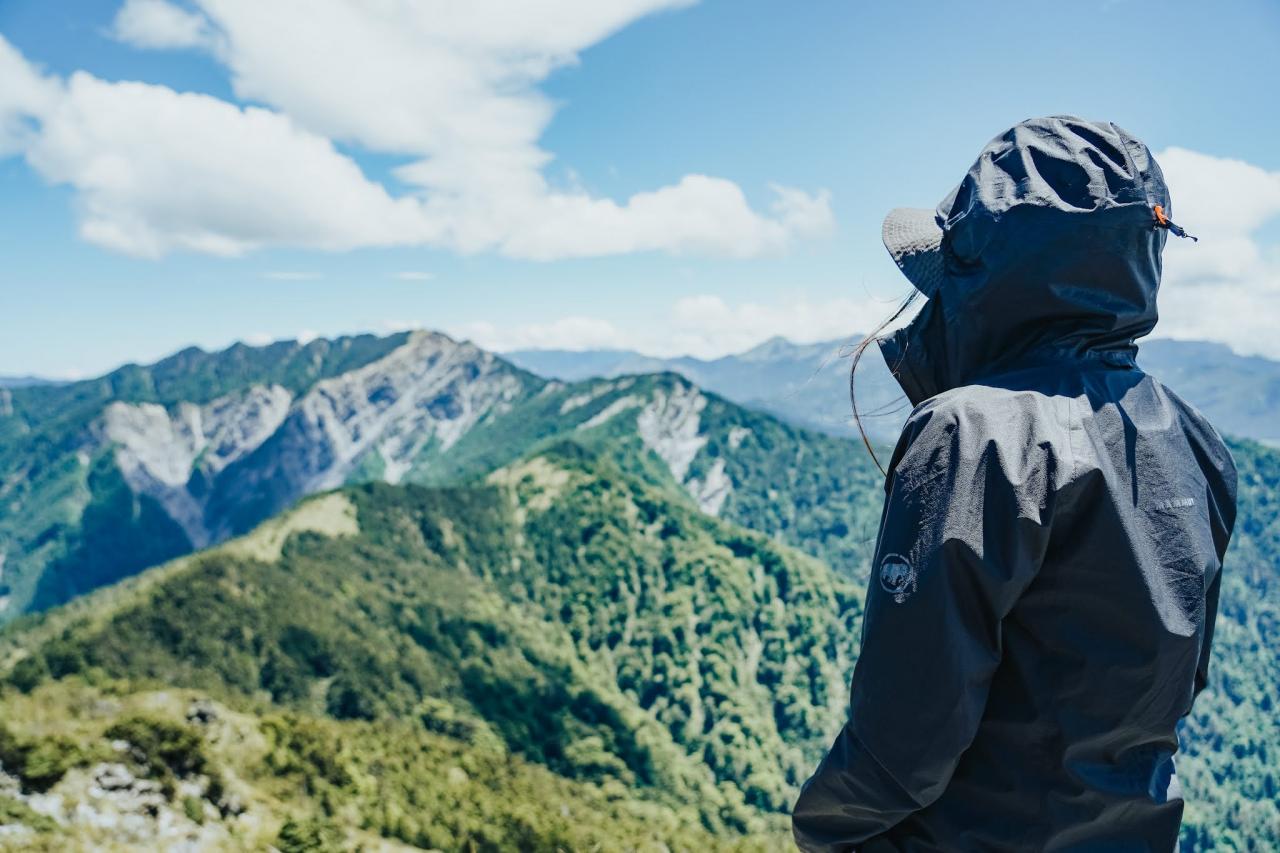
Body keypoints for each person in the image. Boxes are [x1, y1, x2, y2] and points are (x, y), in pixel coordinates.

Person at [791, 116, 1237, 852]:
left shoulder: (971, 435)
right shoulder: (1196, 440)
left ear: (991, 286)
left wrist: (820, 832)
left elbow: (903, 743)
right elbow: (1176, 694)